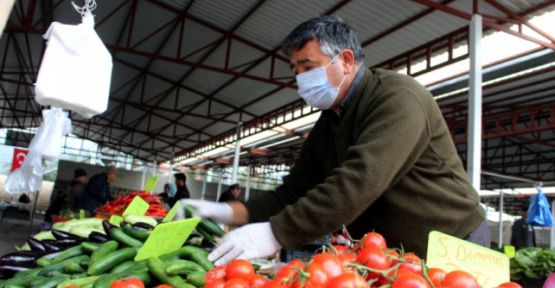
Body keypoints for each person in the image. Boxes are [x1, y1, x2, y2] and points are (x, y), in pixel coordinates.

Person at [178, 15, 488, 265]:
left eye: (308, 67)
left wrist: (276, 232)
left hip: (453, 240)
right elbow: (291, 193)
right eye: (295, 69)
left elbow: (360, 180)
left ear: (347, 60)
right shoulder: (329, 124)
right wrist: (223, 212)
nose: (300, 78)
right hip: (392, 253)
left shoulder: (398, 98)